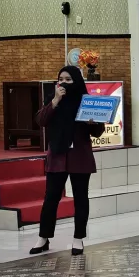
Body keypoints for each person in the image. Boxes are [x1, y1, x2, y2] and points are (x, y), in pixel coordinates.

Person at [30, 66, 105, 256]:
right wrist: (55, 100)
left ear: (77, 81)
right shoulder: (54, 100)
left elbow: (97, 131)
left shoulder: (86, 101)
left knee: (81, 199)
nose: (63, 83)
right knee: (51, 198)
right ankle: (43, 237)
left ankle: (78, 239)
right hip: (57, 155)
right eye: (61, 79)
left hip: (79, 156)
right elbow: (40, 120)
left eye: (68, 80)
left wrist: (93, 122)